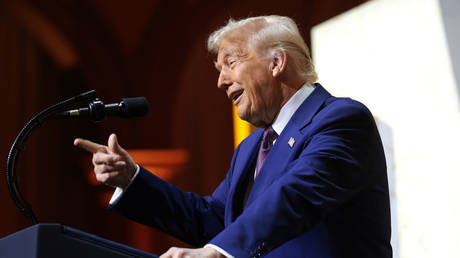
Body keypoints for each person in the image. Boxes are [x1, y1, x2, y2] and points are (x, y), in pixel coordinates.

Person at [74, 15, 392, 258]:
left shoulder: (339, 119)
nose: (221, 81)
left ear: (276, 63)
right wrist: (132, 181)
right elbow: (215, 221)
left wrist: (215, 252)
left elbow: (297, 196)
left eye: (231, 62)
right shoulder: (252, 146)